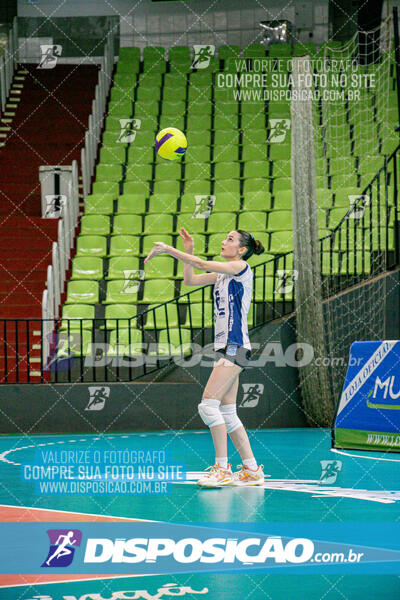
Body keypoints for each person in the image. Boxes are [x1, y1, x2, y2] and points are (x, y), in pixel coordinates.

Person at [144, 228, 265, 487]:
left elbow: (199, 263)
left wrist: (168, 249)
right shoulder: (223, 274)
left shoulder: (240, 267)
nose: (224, 241)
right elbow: (191, 279)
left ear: (241, 250)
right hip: (227, 347)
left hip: (235, 347)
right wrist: (188, 249)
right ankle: (252, 470)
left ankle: (222, 468)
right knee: (228, 412)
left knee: (208, 406)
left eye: (230, 239)